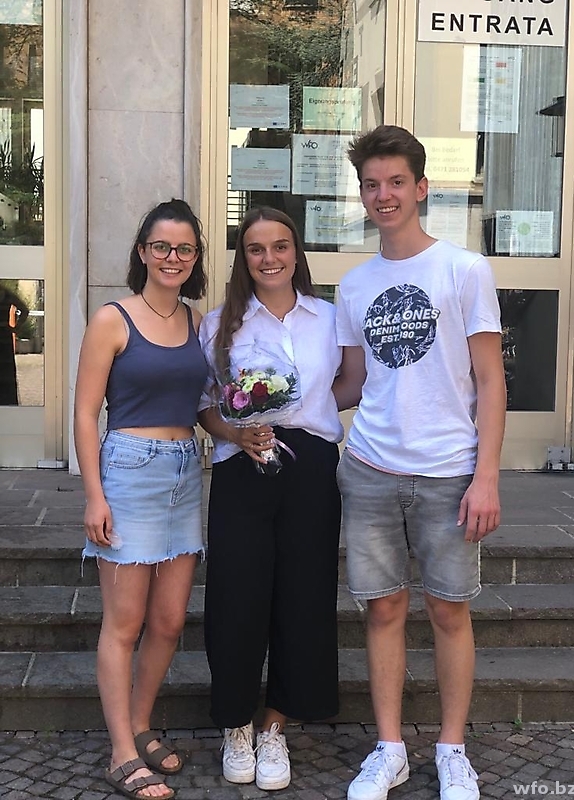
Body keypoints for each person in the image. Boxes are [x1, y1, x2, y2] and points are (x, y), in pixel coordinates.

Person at [333, 126, 506, 800]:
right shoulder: (354, 286)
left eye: (396, 183)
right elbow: (352, 383)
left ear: (422, 188)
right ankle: (389, 749)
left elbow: (490, 380)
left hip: (448, 472)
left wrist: (486, 477)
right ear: (362, 194)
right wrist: (273, 404)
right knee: (381, 612)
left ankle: (452, 748)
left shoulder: (464, 270)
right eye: (372, 184)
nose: (384, 195)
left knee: (449, 612)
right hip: (370, 468)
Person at [198, 207, 343, 791]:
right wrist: (237, 432)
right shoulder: (220, 324)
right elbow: (205, 404)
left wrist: (309, 411)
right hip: (243, 464)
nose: (270, 258)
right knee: (236, 595)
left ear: (296, 252)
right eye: (256, 249)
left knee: (303, 596)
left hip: (310, 466)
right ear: (243, 258)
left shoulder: (329, 318)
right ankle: (236, 724)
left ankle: (275, 725)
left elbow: (352, 382)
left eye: (280, 246)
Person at [74, 199, 208, 800]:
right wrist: (94, 496)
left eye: (184, 248)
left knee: (169, 620)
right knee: (124, 623)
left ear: (195, 256)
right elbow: (84, 413)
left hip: (185, 470)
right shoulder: (113, 319)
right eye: (161, 247)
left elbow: (203, 404)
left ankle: (140, 722)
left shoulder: (197, 321)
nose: (172, 257)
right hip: (129, 471)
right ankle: (121, 752)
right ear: (142, 252)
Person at [0, 282, 29, 405]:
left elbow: (24, 310)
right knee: (7, 371)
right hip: (4, 334)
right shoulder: (7, 294)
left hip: (4, 335)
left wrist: (16, 327)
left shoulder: (7, 294)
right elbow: (24, 310)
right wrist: (16, 327)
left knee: (6, 370)